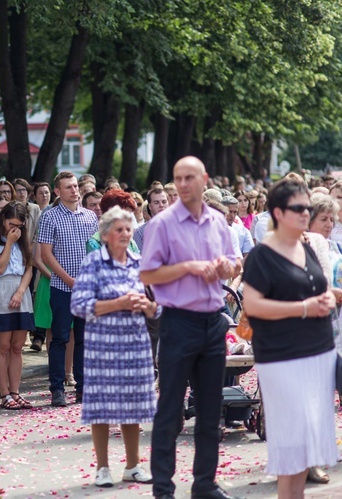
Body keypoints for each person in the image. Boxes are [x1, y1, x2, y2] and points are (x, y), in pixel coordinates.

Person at [140, 156, 240, 499]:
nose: (182, 184)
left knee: (210, 410)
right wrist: (189, 267)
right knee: (170, 410)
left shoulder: (217, 220)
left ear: (203, 179)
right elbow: (148, 274)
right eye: (177, 178)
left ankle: (204, 484)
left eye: (189, 178)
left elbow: (235, 260)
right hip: (178, 322)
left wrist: (227, 266)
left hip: (213, 321)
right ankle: (163, 489)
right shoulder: (162, 224)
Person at [242, 178, 338, 498]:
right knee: (291, 449)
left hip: (316, 355)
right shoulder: (264, 254)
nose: (304, 214)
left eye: (307, 208)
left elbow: (316, 290)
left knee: (305, 450)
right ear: (279, 213)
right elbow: (253, 305)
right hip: (284, 359)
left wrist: (325, 299)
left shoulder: (307, 246)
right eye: (298, 209)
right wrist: (304, 307)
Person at [70, 206, 158, 487]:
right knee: (103, 408)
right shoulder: (93, 262)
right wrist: (117, 304)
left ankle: (133, 465)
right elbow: (79, 305)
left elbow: (160, 308)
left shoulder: (140, 262)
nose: (124, 234)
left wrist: (148, 306)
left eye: (128, 229)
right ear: (105, 234)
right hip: (102, 347)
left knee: (133, 407)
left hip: (135, 345)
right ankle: (102, 467)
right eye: (118, 229)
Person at [38, 172, 98, 408]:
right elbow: (46, 254)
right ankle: (57, 389)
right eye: (69, 187)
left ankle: (83, 388)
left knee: (84, 339)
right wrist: (69, 280)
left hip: (88, 289)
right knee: (60, 338)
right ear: (57, 192)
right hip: (62, 287)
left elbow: (96, 250)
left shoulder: (90, 217)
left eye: (75, 186)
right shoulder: (50, 217)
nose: (75, 190)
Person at [0, 201, 35, 410]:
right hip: (1, 289)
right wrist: (10, 243)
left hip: (21, 290)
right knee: (2, 346)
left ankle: (15, 391)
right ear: (3, 219)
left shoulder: (23, 238)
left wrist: (22, 291)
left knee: (17, 346)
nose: (15, 229)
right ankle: (4, 394)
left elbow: (29, 269)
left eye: (20, 226)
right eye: (12, 223)